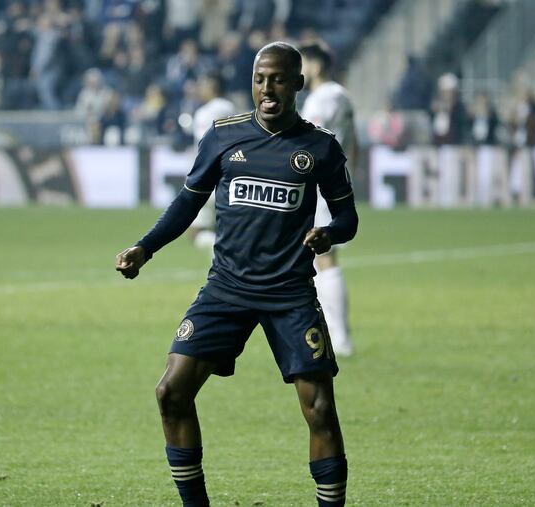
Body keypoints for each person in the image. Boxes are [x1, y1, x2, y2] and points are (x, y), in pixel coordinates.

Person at [116, 41, 357, 507]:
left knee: (320, 410)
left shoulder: (320, 147)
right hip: (226, 288)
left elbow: (348, 218)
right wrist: (145, 247)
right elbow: (188, 202)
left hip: (289, 293)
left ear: (298, 84)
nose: (267, 89)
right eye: (259, 79)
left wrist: (329, 234)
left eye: (278, 80)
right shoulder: (224, 136)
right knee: (171, 392)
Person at [300, 40, 357, 357]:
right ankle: (332, 332)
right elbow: (355, 143)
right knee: (319, 259)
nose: (300, 71)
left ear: (317, 65)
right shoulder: (342, 95)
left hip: (319, 188)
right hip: (335, 183)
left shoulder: (320, 99)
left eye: (304, 63)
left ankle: (341, 336)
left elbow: (309, 143)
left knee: (325, 259)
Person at [189, 73, 236, 250]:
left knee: (196, 233)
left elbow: (205, 145)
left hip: (208, 176)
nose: (200, 89)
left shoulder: (206, 112)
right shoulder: (230, 107)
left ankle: (227, 249)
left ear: (212, 86)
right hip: (227, 174)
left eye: (203, 84)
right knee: (225, 227)